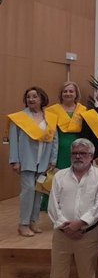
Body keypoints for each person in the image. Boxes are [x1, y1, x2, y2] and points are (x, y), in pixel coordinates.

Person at [48, 138, 98, 278]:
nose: (78, 156)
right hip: (62, 235)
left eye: (82, 153)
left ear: (91, 156)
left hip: (87, 234)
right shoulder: (59, 176)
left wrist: (80, 223)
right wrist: (67, 227)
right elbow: (53, 205)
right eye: (75, 153)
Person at [8, 86, 58, 236]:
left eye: (34, 96)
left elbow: (55, 139)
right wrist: (15, 160)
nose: (31, 99)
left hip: (43, 160)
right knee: (28, 191)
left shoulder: (49, 117)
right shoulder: (19, 118)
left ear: (42, 99)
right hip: (26, 160)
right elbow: (13, 141)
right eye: (28, 97)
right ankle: (23, 223)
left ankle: (33, 222)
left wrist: (53, 159)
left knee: (38, 192)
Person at [46, 81, 87, 169]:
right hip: (58, 150)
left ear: (76, 94)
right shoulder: (51, 111)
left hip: (79, 149)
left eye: (71, 91)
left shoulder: (84, 110)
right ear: (61, 94)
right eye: (65, 91)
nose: (68, 94)